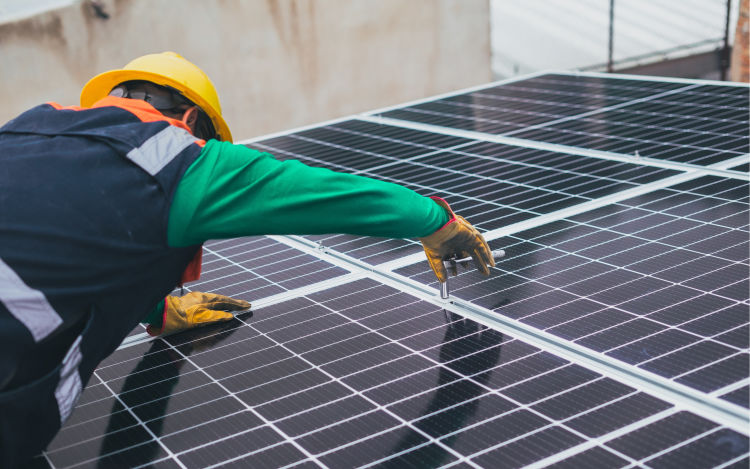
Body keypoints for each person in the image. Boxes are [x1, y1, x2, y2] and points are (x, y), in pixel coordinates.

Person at [0, 51, 494, 466]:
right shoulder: (180, 158)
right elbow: (331, 194)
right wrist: (437, 222)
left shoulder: (23, 130)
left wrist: (156, 309)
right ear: (194, 120)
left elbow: (73, 231)